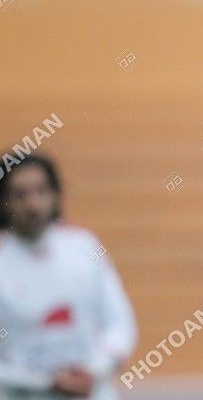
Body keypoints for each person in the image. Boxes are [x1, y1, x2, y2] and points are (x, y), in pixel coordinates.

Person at [0, 154, 137, 399]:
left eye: (40, 191)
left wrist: (94, 371)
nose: (32, 204)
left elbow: (120, 324)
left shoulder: (84, 246)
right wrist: (44, 381)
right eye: (20, 194)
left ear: (55, 194)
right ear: (4, 201)